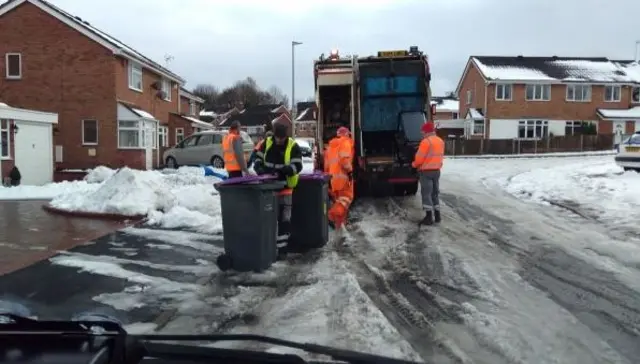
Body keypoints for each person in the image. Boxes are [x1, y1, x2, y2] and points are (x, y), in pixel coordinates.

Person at [253, 123, 303, 249]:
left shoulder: (293, 145)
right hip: (269, 187)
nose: (279, 140)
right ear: (274, 135)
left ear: (285, 136)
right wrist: (259, 167)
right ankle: (270, 246)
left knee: (284, 218)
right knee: (270, 217)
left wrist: (287, 170)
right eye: (277, 138)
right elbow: (258, 158)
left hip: (285, 186)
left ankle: (282, 247)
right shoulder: (267, 143)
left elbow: (298, 165)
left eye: (282, 138)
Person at [411, 122, 444, 226]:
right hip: (437, 171)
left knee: (426, 194)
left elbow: (419, 158)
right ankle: (437, 216)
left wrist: (413, 165)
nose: (422, 134)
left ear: (426, 131)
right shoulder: (440, 141)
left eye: (423, 132)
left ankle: (428, 217)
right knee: (435, 193)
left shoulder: (426, 142)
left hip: (426, 172)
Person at [325, 127, 355, 230]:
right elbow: (344, 160)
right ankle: (331, 216)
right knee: (346, 199)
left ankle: (340, 225)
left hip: (334, 179)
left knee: (339, 200)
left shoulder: (330, 147)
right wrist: (350, 171)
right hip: (343, 178)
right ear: (346, 134)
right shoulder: (345, 142)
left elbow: (327, 166)